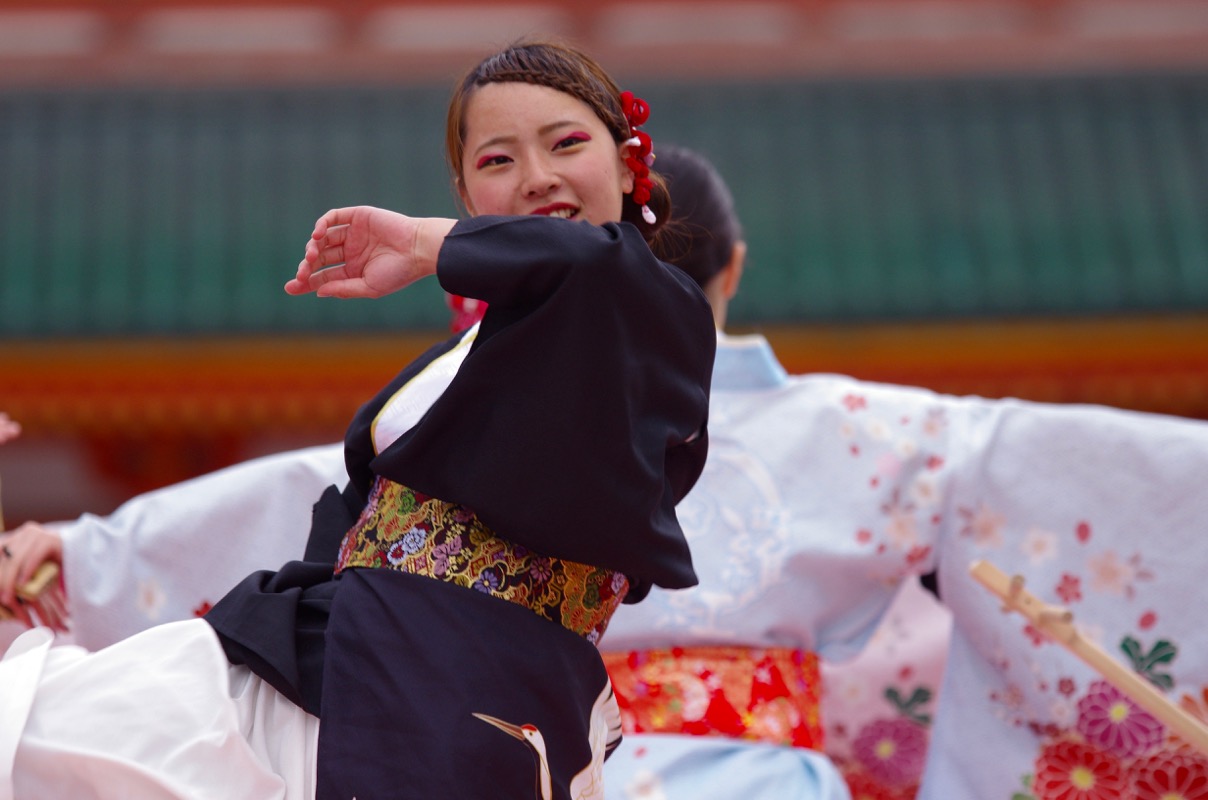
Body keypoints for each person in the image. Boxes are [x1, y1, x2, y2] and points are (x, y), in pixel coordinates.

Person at [0, 39, 716, 800]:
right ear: (470, 195)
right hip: (348, 656)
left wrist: (421, 243)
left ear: (629, 159)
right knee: (55, 736)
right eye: (497, 161)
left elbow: (591, 265)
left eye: (566, 144)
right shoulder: (475, 354)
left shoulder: (647, 305)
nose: (538, 178)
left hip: (465, 690)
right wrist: (79, 546)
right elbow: (292, 489)